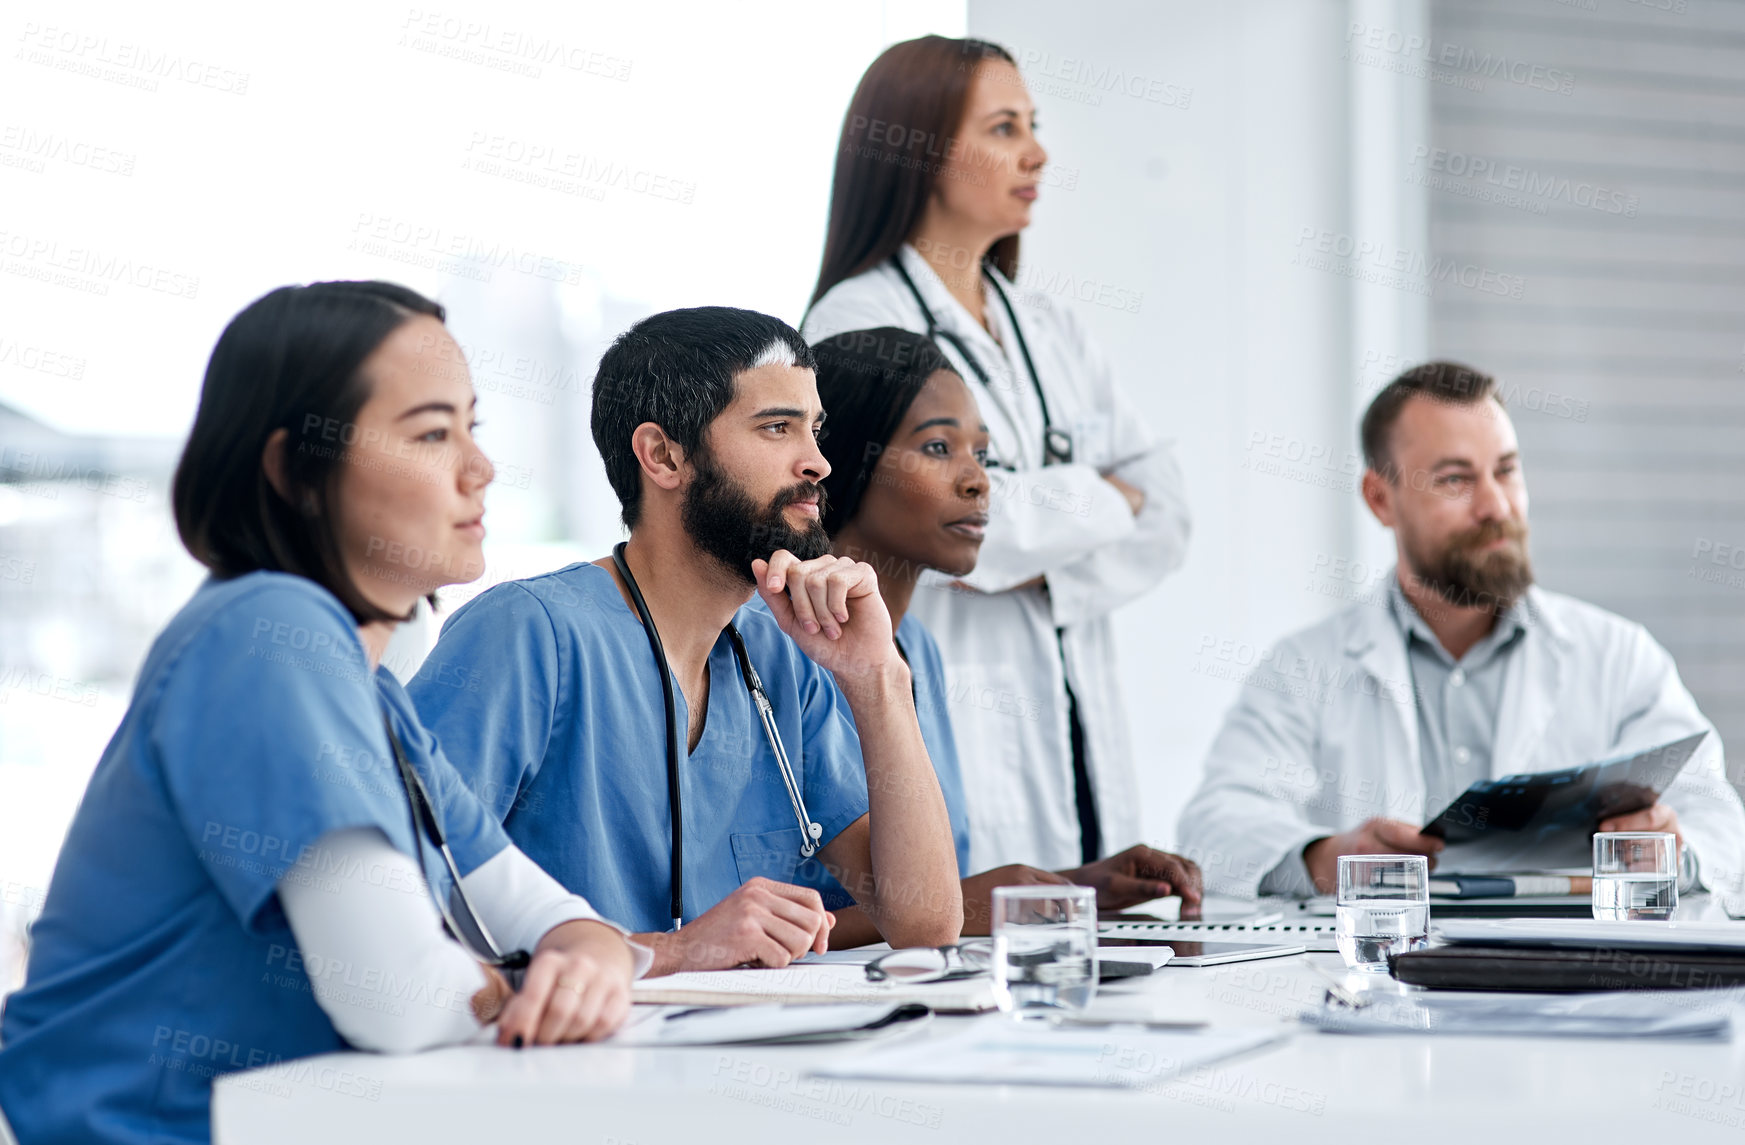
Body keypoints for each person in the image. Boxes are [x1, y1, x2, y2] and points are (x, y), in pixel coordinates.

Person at [0, 282, 647, 1145]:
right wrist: (517, 977)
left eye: (471, 427)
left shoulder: (370, 692)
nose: (479, 468)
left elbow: (563, 921)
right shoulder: (267, 634)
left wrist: (582, 957)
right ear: (295, 472)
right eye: (429, 433)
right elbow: (401, 998)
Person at [410, 307, 962, 975]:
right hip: (559, 1067)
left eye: (814, 431)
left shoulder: (783, 653)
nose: (817, 461)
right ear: (664, 456)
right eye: (776, 427)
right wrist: (679, 951)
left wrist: (877, 676)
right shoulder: (527, 635)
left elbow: (924, 920)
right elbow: (403, 924)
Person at [803, 36, 1192, 874]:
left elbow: (1166, 508)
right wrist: (1097, 502)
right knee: (964, 925)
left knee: (1097, 929)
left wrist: (1038, 551)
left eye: (1034, 125)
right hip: (955, 690)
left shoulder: (1049, 328)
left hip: (1078, 706)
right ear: (921, 150)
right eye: (1005, 127)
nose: (1038, 152)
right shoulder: (853, 321)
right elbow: (981, 527)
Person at [1179, 361, 1745, 898]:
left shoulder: (1618, 656)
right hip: (1378, 985)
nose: (1496, 505)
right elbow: (1213, 826)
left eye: (1506, 470)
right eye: (1456, 479)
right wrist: (1327, 857)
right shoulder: (1304, 668)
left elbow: (1720, 820)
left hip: (1564, 991)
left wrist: (1673, 845)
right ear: (1381, 499)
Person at [800, 327, 1203, 940]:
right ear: (847, 458)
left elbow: (927, 892)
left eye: (982, 456)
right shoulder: (780, 652)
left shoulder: (920, 656)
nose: (977, 481)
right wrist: (965, 909)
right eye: (938, 448)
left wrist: (1079, 884)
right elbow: (741, 922)